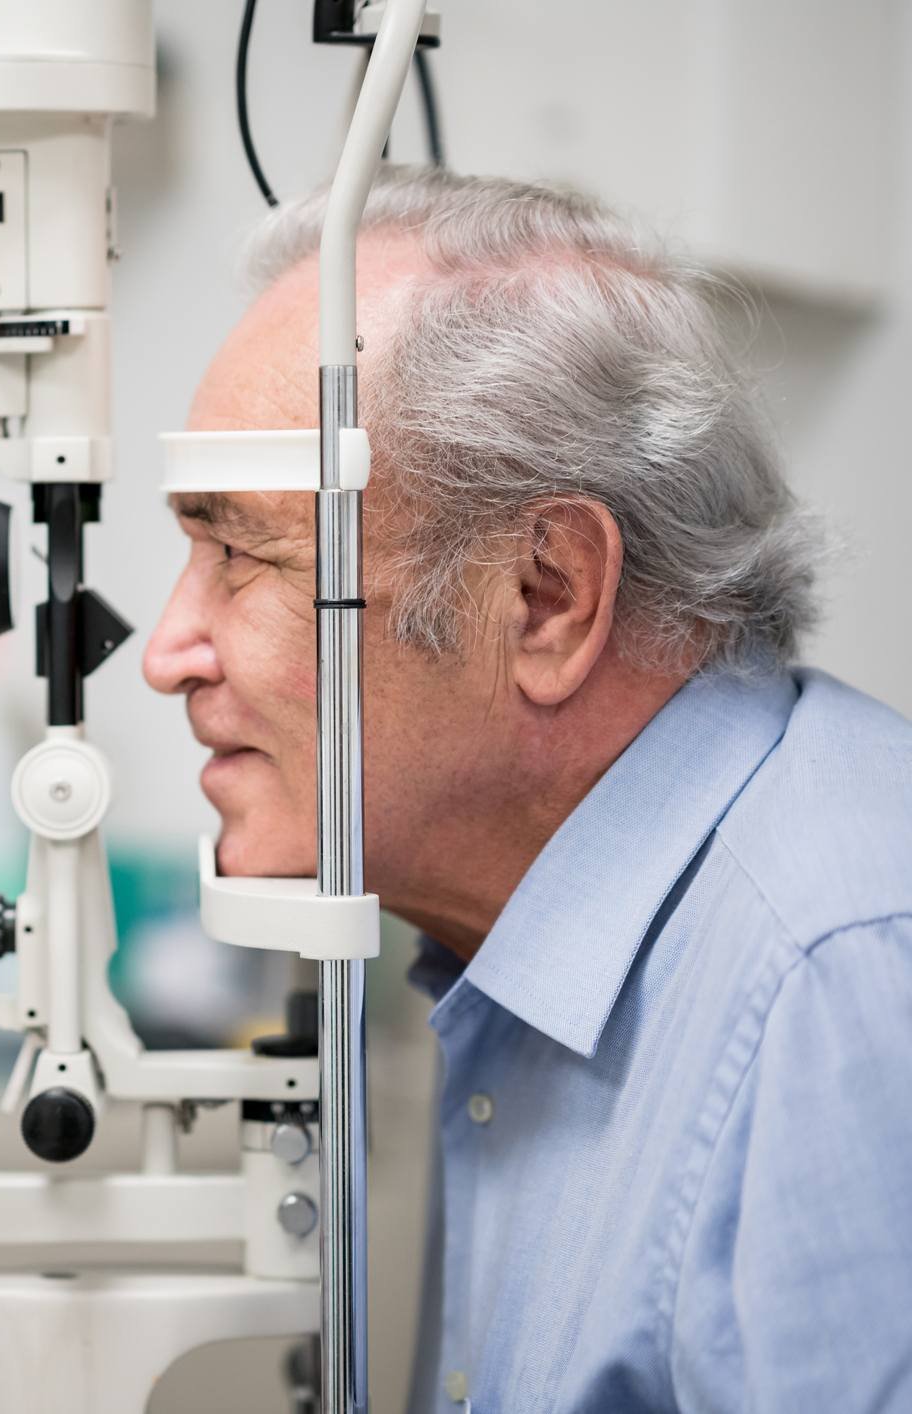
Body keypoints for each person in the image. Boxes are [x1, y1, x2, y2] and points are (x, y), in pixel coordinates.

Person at [143, 164, 912, 1411]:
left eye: (243, 554)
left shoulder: (842, 986)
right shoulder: (512, 955)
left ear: (544, 595)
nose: (163, 652)